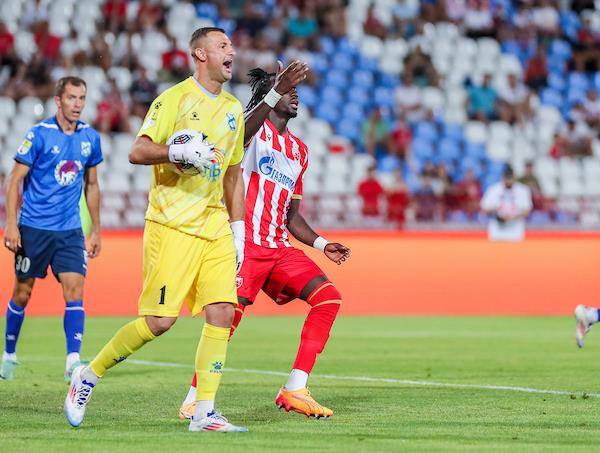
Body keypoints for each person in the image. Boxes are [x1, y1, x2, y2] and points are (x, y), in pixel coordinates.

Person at [64, 27, 247, 433]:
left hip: (214, 224)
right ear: (200, 54)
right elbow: (137, 150)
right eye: (223, 45)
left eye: (232, 45)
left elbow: (233, 173)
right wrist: (176, 150)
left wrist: (238, 230)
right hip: (171, 225)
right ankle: (88, 375)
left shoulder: (234, 108)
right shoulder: (174, 99)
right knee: (159, 322)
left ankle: (203, 412)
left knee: (223, 311)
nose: (232, 51)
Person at [179, 62, 350, 420]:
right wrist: (276, 89)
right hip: (245, 245)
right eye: (288, 89)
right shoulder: (251, 131)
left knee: (328, 298)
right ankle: (194, 398)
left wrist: (322, 244)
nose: (294, 95)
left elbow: (292, 216)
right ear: (269, 95)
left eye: (295, 90)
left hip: (278, 247)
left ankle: (295, 387)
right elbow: (239, 137)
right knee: (226, 319)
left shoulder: (300, 151)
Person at [1, 76, 102, 381]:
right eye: (71, 98)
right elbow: (14, 181)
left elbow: (92, 185)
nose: (77, 104)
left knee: (75, 290)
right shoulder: (39, 134)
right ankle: (9, 354)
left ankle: (72, 361)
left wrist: (96, 229)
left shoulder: (90, 137)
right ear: (58, 100)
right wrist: (11, 225)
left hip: (69, 231)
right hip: (34, 228)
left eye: (81, 98)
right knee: (22, 292)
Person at [480, 165, 532, 241]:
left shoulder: (523, 190)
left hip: (515, 227)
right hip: (497, 227)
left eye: (510, 178)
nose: (508, 181)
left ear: (514, 177)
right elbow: (484, 209)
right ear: (502, 177)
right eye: (506, 178)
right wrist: (497, 212)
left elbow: (527, 210)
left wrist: (513, 216)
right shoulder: (493, 190)